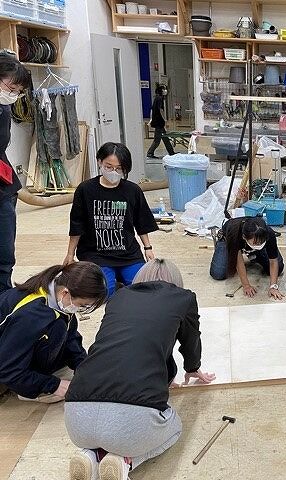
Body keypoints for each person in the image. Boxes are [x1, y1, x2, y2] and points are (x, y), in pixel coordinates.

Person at [65, 259, 214, 480]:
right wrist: (193, 367)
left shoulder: (119, 297)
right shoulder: (184, 298)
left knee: (107, 430)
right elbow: (191, 339)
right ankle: (126, 462)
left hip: (76, 417)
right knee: (174, 428)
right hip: (133, 418)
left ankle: (90, 455)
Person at [0, 262, 107, 403]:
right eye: (82, 305)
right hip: (6, 367)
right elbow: (7, 369)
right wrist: (54, 385)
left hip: (12, 352)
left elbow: (70, 336)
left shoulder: (57, 293)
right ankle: (22, 386)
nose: (81, 310)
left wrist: (82, 365)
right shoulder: (30, 315)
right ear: (65, 293)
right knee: (68, 389)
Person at [64, 142, 159, 297]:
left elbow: (141, 222)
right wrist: (70, 254)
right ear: (99, 162)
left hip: (128, 253)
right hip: (95, 254)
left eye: (119, 168)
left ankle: (120, 279)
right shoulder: (85, 189)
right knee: (104, 292)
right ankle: (114, 282)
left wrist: (148, 248)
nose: (113, 172)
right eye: (108, 167)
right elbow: (77, 224)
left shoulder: (132, 190)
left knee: (141, 288)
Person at [0, 51, 30, 294]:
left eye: (17, 91)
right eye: (11, 88)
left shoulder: (4, 109)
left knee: (4, 253)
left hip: (4, 188)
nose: (13, 94)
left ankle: (3, 299)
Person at [209, 216, 285, 299]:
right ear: (244, 237)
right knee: (218, 273)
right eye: (256, 243)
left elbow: (273, 261)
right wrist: (246, 285)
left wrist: (273, 287)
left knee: (279, 267)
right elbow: (238, 261)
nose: (259, 244)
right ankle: (249, 253)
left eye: (262, 242)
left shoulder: (268, 233)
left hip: (251, 245)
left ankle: (253, 255)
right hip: (228, 240)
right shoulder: (234, 233)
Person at [146, 84, 175, 159]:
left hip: (158, 122)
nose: (165, 90)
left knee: (165, 138)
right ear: (161, 90)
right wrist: (165, 119)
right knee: (157, 140)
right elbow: (161, 110)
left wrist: (151, 119)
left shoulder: (157, 98)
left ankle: (171, 152)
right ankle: (150, 153)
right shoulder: (159, 98)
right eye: (164, 89)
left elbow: (152, 110)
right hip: (159, 122)